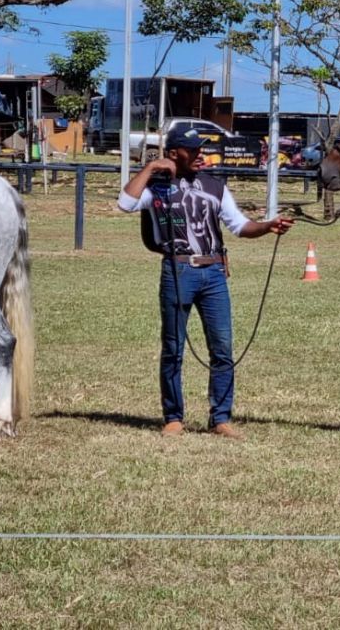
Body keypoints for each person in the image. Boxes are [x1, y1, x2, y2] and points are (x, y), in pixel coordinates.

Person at [118, 126, 294, 439]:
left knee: (222, 348)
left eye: (201, 148)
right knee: (173, 349)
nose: (201, 154)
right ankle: (174, 417)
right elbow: (126, 203)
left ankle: (221, 418)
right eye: (193, 149)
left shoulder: (215, 186)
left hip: (213, 274)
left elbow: (239, 225)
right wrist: (149, 168)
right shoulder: (156, 187)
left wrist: (267, 226)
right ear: (173, 154)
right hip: (178, 271)